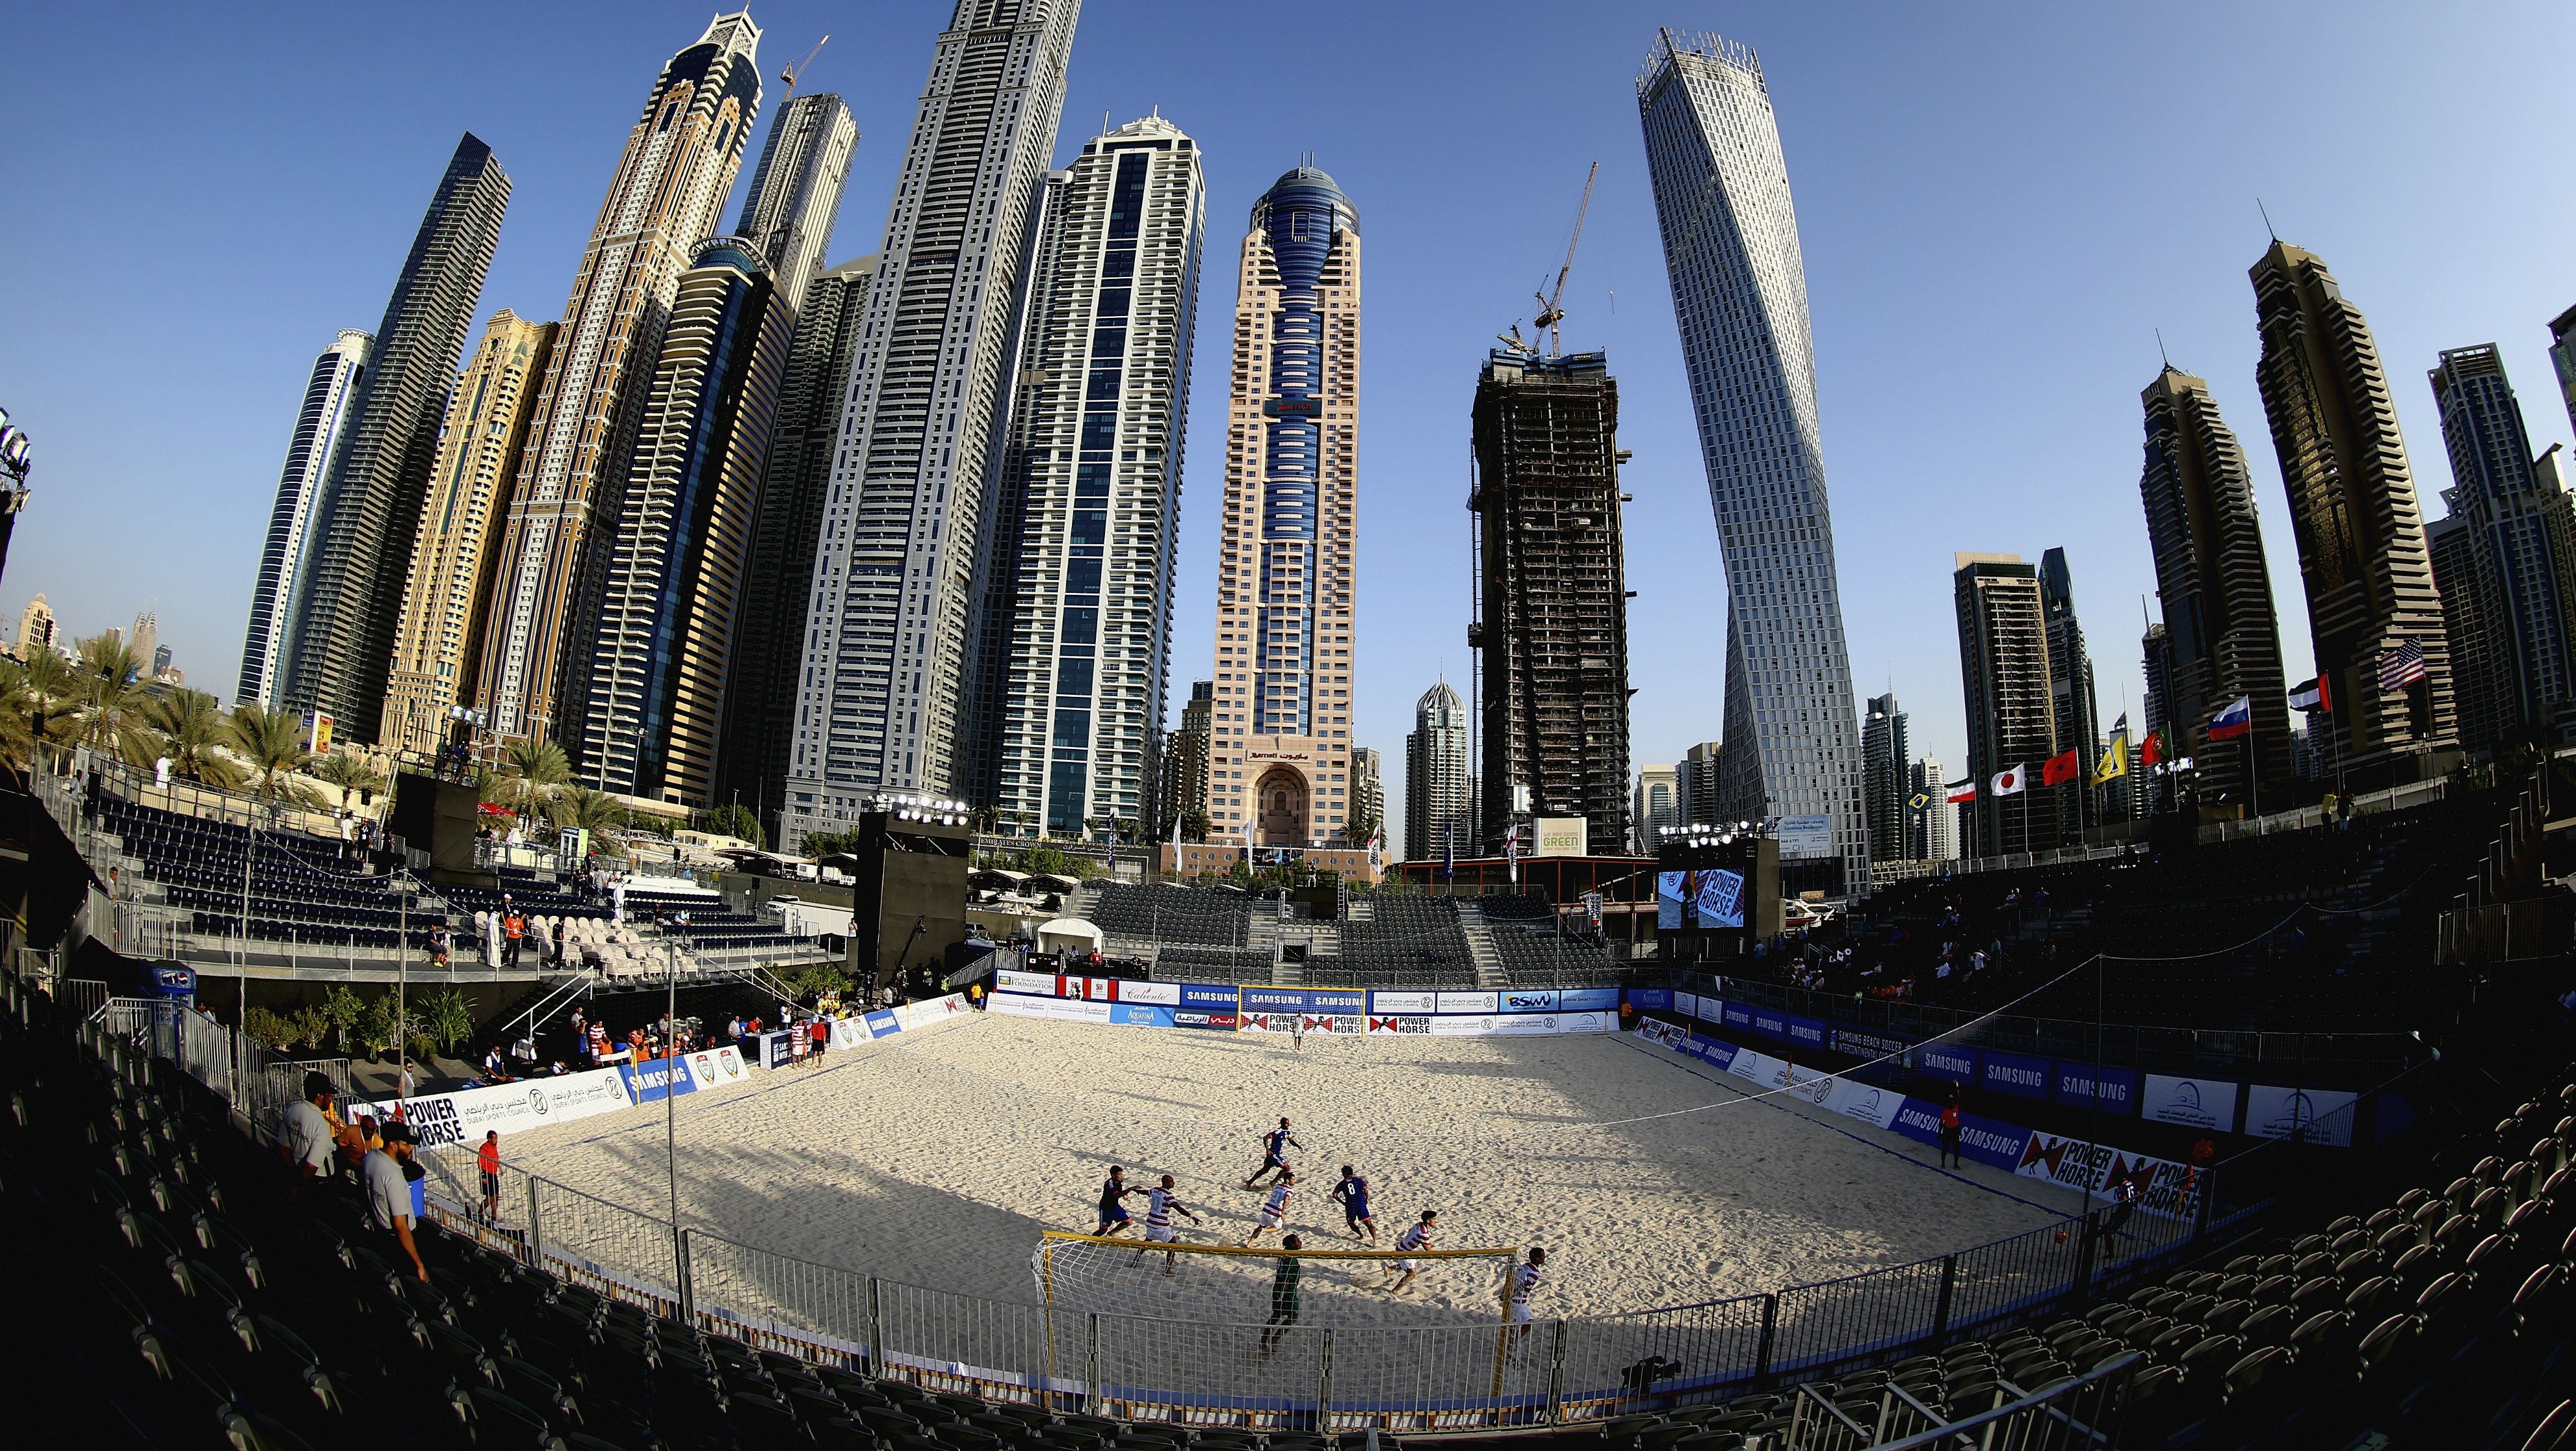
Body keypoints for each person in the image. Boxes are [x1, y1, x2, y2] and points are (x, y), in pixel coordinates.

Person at [365, 1121, 430, 1283]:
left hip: (380, 1229)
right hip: (398, 1241)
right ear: (393, 1145)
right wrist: (419, 1264)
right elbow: (402, 1226)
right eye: (406, 1144)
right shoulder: (394, 1176)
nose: (411, 1148)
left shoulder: (370, 1157)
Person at [281, 1071, 337, 1199]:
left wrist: (293, 1172)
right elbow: (312, 1165)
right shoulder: (320, 1125)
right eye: (329, 1095)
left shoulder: (292, 1110)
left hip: (296, 1171)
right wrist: (298, 1185)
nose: (331, 1099)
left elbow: (284, 1146)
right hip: (319, 1181)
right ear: (320, 1096)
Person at [1138, 1173, 1202, 1274]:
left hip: (1150, 1222)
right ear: (1167, 1183)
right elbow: (1179, 1208)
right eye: (1172, 1182)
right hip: (1160, 1225)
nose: (1174, 1183)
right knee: (1173, 1246)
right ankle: (1168, 1270)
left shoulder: (1155, 1190)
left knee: (1147, 1241)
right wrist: (1192, 1216)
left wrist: (1135, 1190)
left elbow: (1145, 1192)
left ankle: (1135, 1260)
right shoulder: (1168, 1196)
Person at [1259, 1235, 1305, 1357]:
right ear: (1293, 1245)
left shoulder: (1284, 1254)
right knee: (1293, 1317)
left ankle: (1264, 1340)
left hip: (1279, 1289)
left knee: (1276, 1315)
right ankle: (1274, 1340)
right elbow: (1287, 1280)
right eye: (1297, 1241)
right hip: (1287, 1292)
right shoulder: (1291, 1259)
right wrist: (1283, 1294)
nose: (1300, 1242)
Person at [1381, 1209, 1438, 1294]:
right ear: (1428, 1220)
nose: (1436, 1221)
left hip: (1403, 1247)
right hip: (1405, 1251)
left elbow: (1409, 1230)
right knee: (1412, 1274)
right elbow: (1428, 1250)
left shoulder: (1419, 1224)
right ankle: (1395, 1290)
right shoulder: (1424, 1234)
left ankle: (1390, 1269)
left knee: (1411, 1267)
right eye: (1434, 1219)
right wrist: (1442, 1256)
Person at [1243, 1117, 1301, 1190]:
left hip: (1275, 1155)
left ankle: (1250, 1182)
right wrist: (1267, 1150)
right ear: (1282, 1124)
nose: (1287, 1125)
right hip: (1273, 1155)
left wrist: (1298, 1146)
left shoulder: (1287, 1132)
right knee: (1287, 1168)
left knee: (1265, 1170)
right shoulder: (1277, 1132)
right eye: (1286, 1124)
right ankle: (1273, 1182)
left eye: (1288, 1124)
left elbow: (1291, 1141)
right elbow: (1265, 1138)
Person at [1243, 1170, 1295, 1246]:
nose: (1294, 1181)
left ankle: (1250, 1242)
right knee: (1277, 1228)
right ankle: (1265, 1231)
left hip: (1267, 1208)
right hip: (1276, 1211)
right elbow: (1286, 1200)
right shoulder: (1289, 1190)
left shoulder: (1277, 1186)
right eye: (1293, 1179)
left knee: (1261, 1226)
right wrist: (1283, 1213)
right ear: (1288, 1180)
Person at [1507, 1247, 1547, 1340]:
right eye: (1542, 1255)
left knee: (1516, 1326)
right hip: (1518, 1301)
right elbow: (1523, 1286)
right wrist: (1511, 1293)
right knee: (1526, 1324)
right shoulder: (1534, 1273)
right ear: (1537, 1258)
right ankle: (1511, 1345)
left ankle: (1510, 1345)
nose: (1544, 1257)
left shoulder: (1525, 1266)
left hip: (1518, 1300)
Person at [1331, 1164, 1377, 1244]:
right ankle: (1375, 1240)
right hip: (1361, 1203)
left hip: (1350, 1205)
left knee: (1351, 1222)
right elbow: (1365, 1190)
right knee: (1368, 1223)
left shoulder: (1342, 1183)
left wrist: (1343, 1203)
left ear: (1343, 1174)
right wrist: (1366, 1199)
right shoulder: (1359, 1180)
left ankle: (1361, 1235)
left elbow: (1335, 1195)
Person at [1095, 1165, 1140, 1238]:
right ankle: (1089, 1242)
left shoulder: (1119, 1181)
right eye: (1119, 1174)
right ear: (1113, 1175)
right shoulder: (1110, 1184)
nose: (1121, 1176)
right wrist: (1131, 1189)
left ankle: (1112, 1232)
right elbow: (1116, 1195)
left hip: (1115, 1207)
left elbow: (1119, 1190)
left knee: (1129, 1222)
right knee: (1103, 1230)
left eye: (1121, 1174)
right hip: (1106, 1208)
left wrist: (1124, 1195)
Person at [476, 1131, 503, 1222]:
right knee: (490, 1198)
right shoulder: (484, 1148)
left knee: (496, 1196)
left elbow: (496, 1158)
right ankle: (480, 1212)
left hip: (493, 1173)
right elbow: (480, 1163)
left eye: (497, 1139)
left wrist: (499, 1167)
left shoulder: (494, 1147)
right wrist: (483, 1176)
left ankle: (494, 1216)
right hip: (487, 1174)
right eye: (494, 1139)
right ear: (489, 1139)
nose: (496, 1141)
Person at [1938, 1089, 1963, 1170]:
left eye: (1953, 1102)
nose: (1952, 1103)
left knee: (1956, 1148)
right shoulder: (1945, 1112)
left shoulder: (1956, 1107)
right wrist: (1939, 1133)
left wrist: (1957, 1088)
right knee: (1945, 1147)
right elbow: (1941, 1123)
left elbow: (1958, 1097)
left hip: (1955, 1130)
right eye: (1951, 1102)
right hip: (1947, 1130)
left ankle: (1956, 1164)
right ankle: (1943, 1163)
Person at [501, 904, 526, 968]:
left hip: (517, 938)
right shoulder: (509, 919)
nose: (515, 916)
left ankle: (514, 964)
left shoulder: (520, 920)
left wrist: (523, 934)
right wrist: (505, 936)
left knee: (516, 952)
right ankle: (504, 961)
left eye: (516, 915)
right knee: (507, 950)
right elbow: (507, 928)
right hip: (510, 937)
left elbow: (522, 928)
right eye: (514, 915)